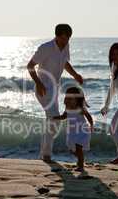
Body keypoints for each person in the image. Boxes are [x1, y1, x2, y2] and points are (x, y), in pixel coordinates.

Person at [27, 24, 83, 162]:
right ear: (57, 36)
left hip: (55, 89)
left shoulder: (66, 47)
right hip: (43, 88)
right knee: (54, 120)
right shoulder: (45, 48)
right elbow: (30, 66)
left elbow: (64, 63)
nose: (66, 41)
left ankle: (44, 153)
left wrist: (75, 75)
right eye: (63, 38)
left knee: (52, 121)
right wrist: (38, 83)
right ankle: (46, 155)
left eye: (68, 38)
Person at [53, 87, 93, 172]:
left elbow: (89, 117)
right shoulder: (67, 108)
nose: (69, 100)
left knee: (78, 148)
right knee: (71, 149)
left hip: (82, 130)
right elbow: (64, 116)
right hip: (72, 131)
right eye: (67, 98)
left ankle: (81, 165)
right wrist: (56, 117)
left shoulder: (80, 108)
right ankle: (80, 159)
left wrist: (91, 125)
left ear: (77, 99)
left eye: (71, 98)